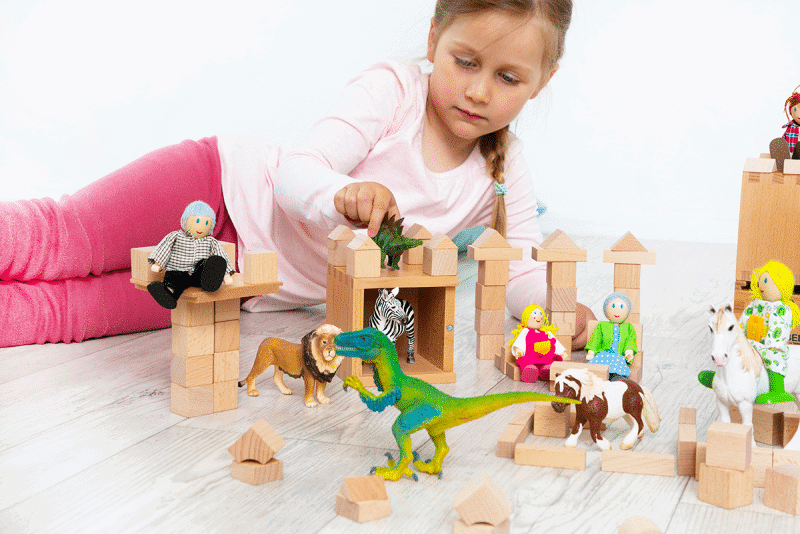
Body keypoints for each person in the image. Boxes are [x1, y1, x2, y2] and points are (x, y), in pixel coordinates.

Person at [0, 0, 595, 348]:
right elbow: (296, 174)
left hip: (239, 282)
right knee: (59, 238)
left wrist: (560, 309)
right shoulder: (393, 92)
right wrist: (344, 195)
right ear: (435, 37)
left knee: (67, 317)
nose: (478, 91)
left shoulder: (502, 171)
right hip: (220, 189)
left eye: (508, 77)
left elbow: (519, 269)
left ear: (543, 80)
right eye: (465, 62)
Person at [699, 261, 799, 404]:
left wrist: (773, 345)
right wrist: (738, 336)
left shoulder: (781, 309)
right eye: (760, 281)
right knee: (735, 352)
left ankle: (778, 390)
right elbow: (743, 321)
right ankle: (721, 379)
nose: (762, 285)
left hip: (769, 346)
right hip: (750, 342)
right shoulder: (755, 304)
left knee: (774, 361)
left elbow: (779, 327)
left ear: (781, 284)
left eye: (766, 281)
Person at [146, 200, 236, 309]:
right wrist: (158, 263)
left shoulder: (211, 241)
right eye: (197, 221)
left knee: (215, 260)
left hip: (198, 274)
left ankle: (210, 282)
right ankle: (168, 295)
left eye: (206, 223)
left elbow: (221, 254)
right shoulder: (176, 236)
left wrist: (226, 275)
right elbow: (165, 247)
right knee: (174, 281)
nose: (201, 227)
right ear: (186, 220)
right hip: (179, 272)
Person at [585, 293, 637, 381]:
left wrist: (629, 350)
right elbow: (596, 339)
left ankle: (615, 378)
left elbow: (630, 340)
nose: (617, 311)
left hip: (618, 356)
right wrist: (591, 351)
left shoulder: (628, 327)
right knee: (599, 366)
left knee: (617, 365)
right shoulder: (602, 326)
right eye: (613, 306)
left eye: (621, 307)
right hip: (604, 355)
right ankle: (598, 376)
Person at [509, 304, 565, 382]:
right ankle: (530, 371)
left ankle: (547, 370)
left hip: (546, 355)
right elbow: (520, 341)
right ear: (526, 317)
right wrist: (518, 350)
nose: (539, 317)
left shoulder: (547, 332)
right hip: (532, 355)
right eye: (535, 314)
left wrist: (561, 352)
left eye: (541, 314)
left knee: (551, 360)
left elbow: (555, 343)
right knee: (527, 361)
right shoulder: (525, 331)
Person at [768, 85, 800, 172]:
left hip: (798, 156)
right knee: (779, 143)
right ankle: (782, 161)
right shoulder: (790, 127)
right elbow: (784, 138)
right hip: (789, 154)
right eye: (796, 110)